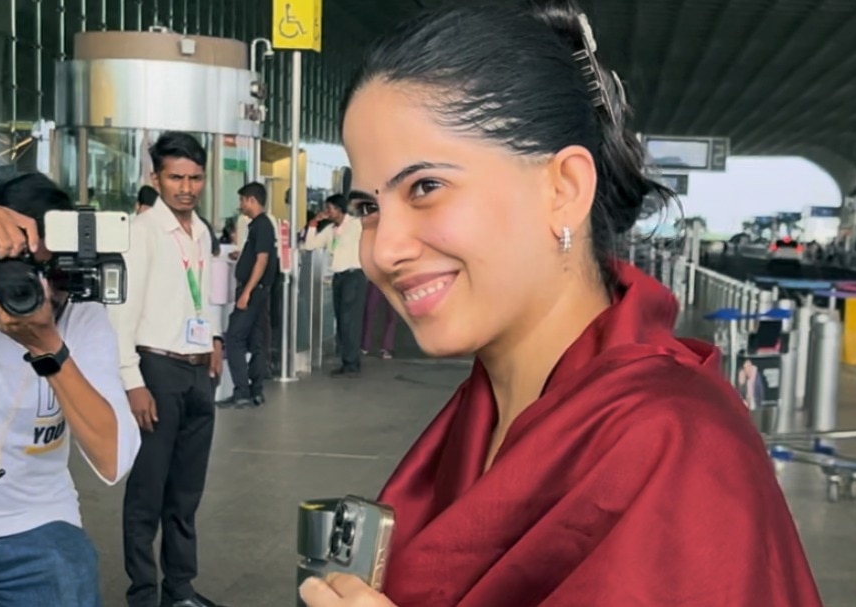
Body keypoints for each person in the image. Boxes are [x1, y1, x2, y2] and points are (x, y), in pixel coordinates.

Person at [299, 2, 823, 606]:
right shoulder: (489, 410)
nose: (383, 249)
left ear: (563, 189)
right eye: (369, 207)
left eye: (425, 188)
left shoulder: (677, 446)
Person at [0, 174, 141, 606]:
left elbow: (114, 458)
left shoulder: (80, 316)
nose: (42, 289)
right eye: (20, 266)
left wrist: (48, 347)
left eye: (54, 270)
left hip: (40, 520)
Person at [107, 132, 227, 607]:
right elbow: (122, 316)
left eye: (195, 177)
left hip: (198, 373)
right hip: (156, 370)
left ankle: (180, 589)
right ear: (154, 177)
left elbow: (201, 293)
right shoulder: (140, 233)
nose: (186, 187)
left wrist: (214, 339)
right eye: (175, 177)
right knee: (147, 496)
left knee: (186, 495)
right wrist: (133, 382)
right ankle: (144, 595)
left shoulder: (200, 231)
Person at [219, 182, 277, 407]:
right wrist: (241, 257)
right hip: (259, 291)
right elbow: (257, 256)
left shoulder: (261, 225)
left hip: (253, 292)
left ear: (252, 200)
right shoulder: (259, 226)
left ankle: (241, 391)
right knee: (257, 340)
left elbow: (262, 261)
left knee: (234, 338)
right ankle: (255, 390)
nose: (241, 205)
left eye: (243, 200)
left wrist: (247, 292)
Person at [302, 194, 367, 377]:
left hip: (354, 276)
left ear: (339, 209)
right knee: (341, 320)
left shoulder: (356, 225)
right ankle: (347, 361)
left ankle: (352, 363)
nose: (327, 212)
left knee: (350, 321)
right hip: (338, 277)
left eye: (329, 208)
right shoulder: (330, 230)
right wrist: (314, 223)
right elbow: (310, 245)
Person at [361, 281, 396, 359]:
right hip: (377, 281)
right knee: (369, 312)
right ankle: (364, 345)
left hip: (392, 283)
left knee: (391, 316)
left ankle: (386, 347)